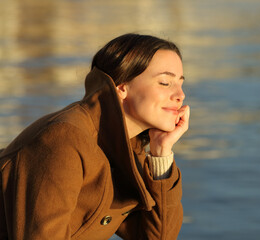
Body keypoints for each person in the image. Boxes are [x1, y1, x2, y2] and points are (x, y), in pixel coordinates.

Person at [0, 33, 190, 240]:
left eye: (180, 83)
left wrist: (161, 153)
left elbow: (157, 237)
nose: (180, 95)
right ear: (122, 87)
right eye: (165, 82)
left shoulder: (127, 147)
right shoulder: (66, 138)